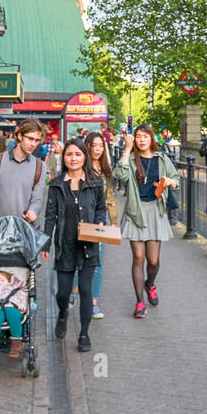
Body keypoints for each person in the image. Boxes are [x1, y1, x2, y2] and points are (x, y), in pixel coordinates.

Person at [42, 139, 107, 352]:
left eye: (78, 154)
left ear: (84, 157)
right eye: (69, 154)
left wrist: (99, 222)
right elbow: (50, 216)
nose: (73, 158)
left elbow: (100, 208)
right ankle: (62, 314)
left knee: (86, 291)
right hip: (65, 244)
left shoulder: (95, 182)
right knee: (62, 293)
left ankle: (84, 334)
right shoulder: (57, 184)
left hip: (88, 244)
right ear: (64, 158)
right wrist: (45, 242)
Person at [113, 124, 179, 318]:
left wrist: (170, 182)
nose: (142, 140)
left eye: (145, 136)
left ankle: (150, 284)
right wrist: (126, 149)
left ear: (152, 139)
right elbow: (119, 175)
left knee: (153, 260)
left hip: (155, 211)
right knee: (138, 258)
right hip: (136, 211)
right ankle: (139, 302)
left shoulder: (162, 159)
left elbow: (176, 179)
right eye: (138, 137)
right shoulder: (131, 159)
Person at [0, 119, 47, 226]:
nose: (33, 144)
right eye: (30, 139)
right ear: (20, 136)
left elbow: (37, 198)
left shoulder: (40, 166)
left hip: (26, 229)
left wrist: (33, 212)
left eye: (37, 140)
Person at [83, 131, 117, 319]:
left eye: (100, 146)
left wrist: (112, 222)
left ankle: (93, 303)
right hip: (80, 217)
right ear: (87, 146)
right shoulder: (80, 165)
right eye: (93, 145)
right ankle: (72, 293)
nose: (97, 149)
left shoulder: (106, 170)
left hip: (100, 218)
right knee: (77, 258)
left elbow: (110, 198)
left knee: (97, 262)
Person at [0, 269, 29, 362]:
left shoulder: (15, 289)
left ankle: (16, 346)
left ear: (9, 279)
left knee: (14, 316)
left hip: (12, 307)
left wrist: (22, 307)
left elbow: (23, 298)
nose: (1, 278)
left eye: (3, 277)